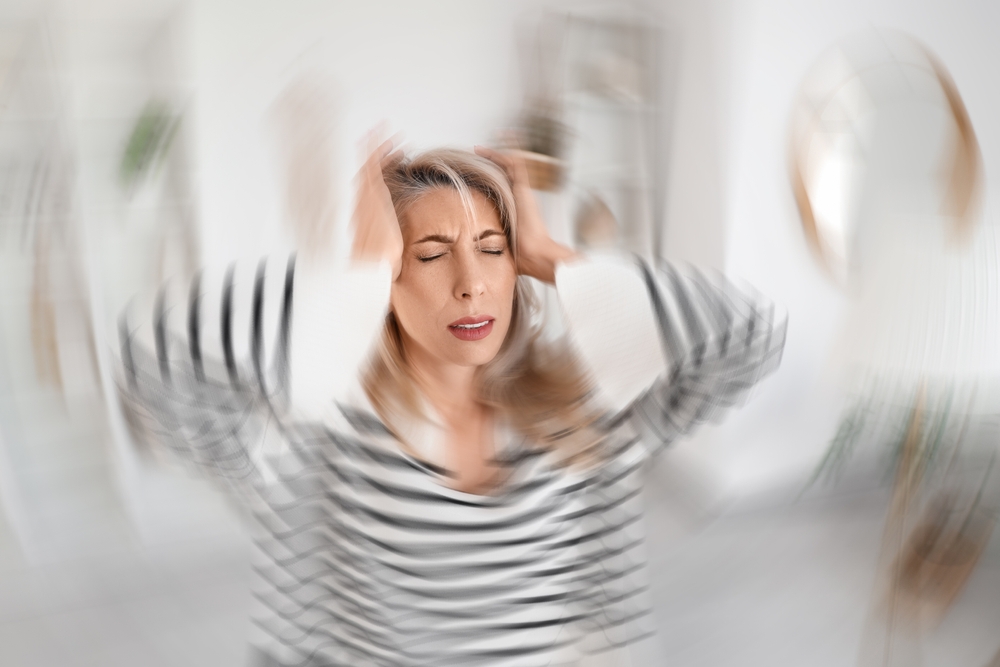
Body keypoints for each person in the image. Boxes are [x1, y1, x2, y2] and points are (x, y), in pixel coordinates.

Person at [118, 134, 786, 666]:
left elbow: (746, 334)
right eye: (432, 254)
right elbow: (158, 354)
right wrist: (356, 274)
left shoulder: (577, 408)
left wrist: (550, 251)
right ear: (388, 276)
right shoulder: (327, 429)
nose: (472, 283)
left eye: (494, 250)